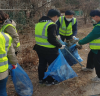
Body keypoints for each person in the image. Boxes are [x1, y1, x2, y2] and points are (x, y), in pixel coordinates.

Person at [33, 9, 65, 86]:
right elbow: (51, 39)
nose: (56, 19)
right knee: (53, 65)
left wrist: (55, 36)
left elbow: (44, 36)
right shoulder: (52, 24)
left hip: (39, 48)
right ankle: (50, 81)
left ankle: (41, 79)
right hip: (50, 50)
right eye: (57, 18)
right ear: (55, 16)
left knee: (42, 64)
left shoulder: (38, 24)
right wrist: (60, 45)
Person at [77, 10, 100, 82]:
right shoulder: (97, 24)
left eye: (92, 17)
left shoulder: (98, 27)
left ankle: (99, 77)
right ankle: (90, 67)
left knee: (97, 62)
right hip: (95, 48)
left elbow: (90, 36)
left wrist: (80, 42)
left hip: (98, 48)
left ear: (96, 16)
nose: (92, 19)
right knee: (90, 56)